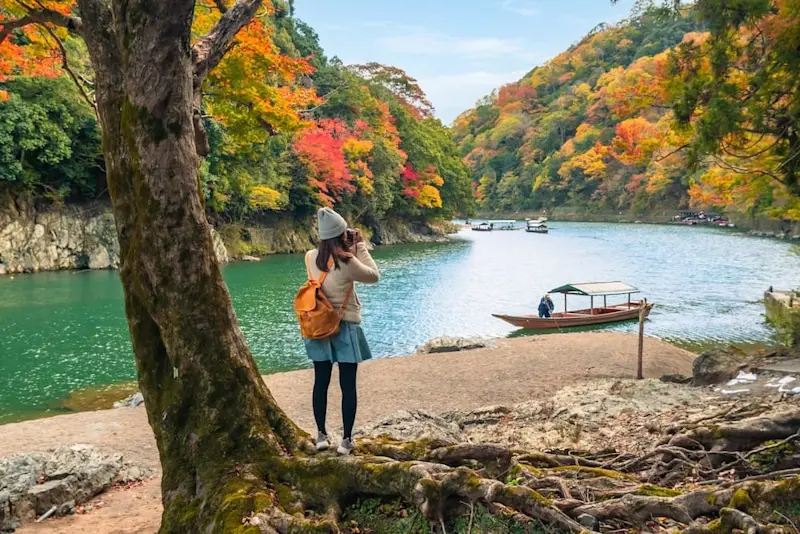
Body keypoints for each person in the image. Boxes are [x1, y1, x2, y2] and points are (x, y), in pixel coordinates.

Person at [303, 207, 380, 455]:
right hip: (344, 325)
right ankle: (346, 441)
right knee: (348, 385)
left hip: (317, 324)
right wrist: (360, 246)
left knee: (320, 382)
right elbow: (373, 276)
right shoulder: (347, 261)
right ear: (341, 233)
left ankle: (321, 436)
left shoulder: (309, 257)